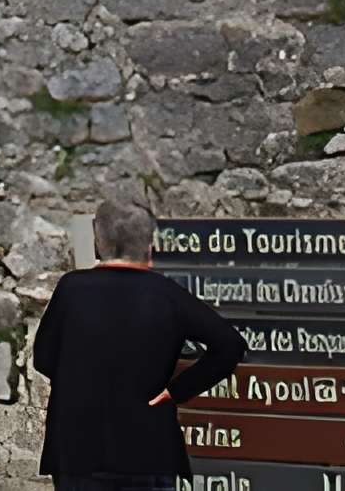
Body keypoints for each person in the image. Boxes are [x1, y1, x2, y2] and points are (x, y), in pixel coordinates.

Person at [30, 197, 246, 491]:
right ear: (149, 244)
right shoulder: (168, 294)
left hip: (76, 447)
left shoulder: (71, 288)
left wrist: (81, 382)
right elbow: (230, 345)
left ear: (98, 240)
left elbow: (43, 358)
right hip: (148, 448)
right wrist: (176, 391)